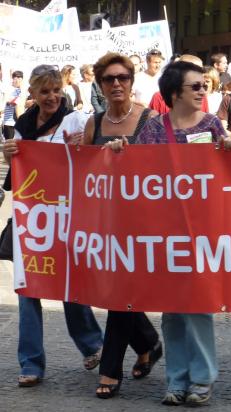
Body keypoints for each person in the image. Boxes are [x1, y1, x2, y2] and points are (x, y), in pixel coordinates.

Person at [106, 61, 231, 406]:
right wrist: (119, 152)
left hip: (202, 232)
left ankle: (202, 380)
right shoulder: (153, 129)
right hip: (165, 234)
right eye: (195, 86)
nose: (202, 91)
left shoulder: (212, 125)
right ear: (175, 92)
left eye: (204, 85)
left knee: (198, 307)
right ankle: (177, 380)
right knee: (172, 311)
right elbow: (135, 170)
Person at [2, 64, 103, 388]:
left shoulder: (75, 120)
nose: (52, 97)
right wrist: (10, 152)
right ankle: (31, 363)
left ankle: (91, 343)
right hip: (31, 219)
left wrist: (83, 146)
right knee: (26, 290)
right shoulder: (23, 125)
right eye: (44, 91)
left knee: (69, 282)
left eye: (56, 90)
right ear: (31, 93)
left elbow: (94, 162)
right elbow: (15, 177)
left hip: (66, 215)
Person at [81, 52, 162, 399]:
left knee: (121, 294)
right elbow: (81, 174)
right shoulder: (93, 124)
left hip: (143, 223)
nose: (117, 84)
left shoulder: (152, 119)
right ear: (100, 85)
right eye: (109, 79)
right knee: (120, 292)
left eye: (123, 78)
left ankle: (110, 370)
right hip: (106, 224)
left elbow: (167, 171)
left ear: (132, 82)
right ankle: (149, 343)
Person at [2, 70, 24, 140]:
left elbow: (20, 103)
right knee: (9, 144)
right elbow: (11, 102)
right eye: (13, 79)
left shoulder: (22, 91)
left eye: (14, 79)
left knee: (15, 145)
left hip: (16, 122)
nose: (13, 81)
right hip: (8, 122)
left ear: (20, 79)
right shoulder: (12, 90)